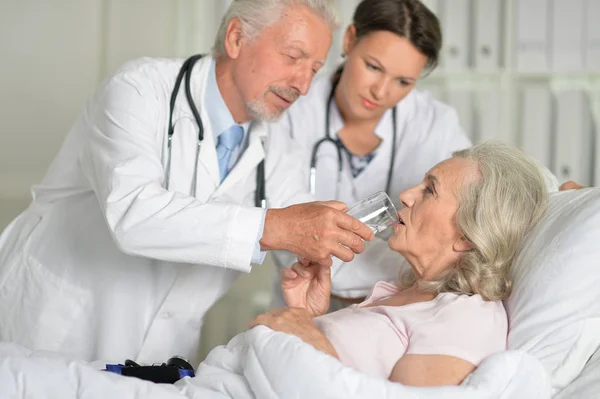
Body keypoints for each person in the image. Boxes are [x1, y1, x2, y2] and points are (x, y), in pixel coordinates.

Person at [0, 0, 376, 365]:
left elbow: (313, 238)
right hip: (58, 326)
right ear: (235, 38)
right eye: (293, 57)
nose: (304, 85)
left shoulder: (276, 148)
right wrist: (271, 227)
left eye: (315, 69)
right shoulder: (140, 89)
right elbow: (133, 213)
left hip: (158, 355)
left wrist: (418, 278)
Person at [252, 142, 549, 386]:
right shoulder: (399, 292)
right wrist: (305, 314)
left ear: (467, 235)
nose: (405, 196)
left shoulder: (467, 318)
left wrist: (308, 334)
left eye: (429, 190)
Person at [270, 0, 471, 310]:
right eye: (373, 67)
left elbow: (482, 195)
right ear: (349, 40)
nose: (381, 92)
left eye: (403, 82)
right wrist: (416, 268)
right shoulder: (293, 112)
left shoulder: (433, 123)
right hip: (300, 306)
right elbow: (290, 233)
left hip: (394, 313)